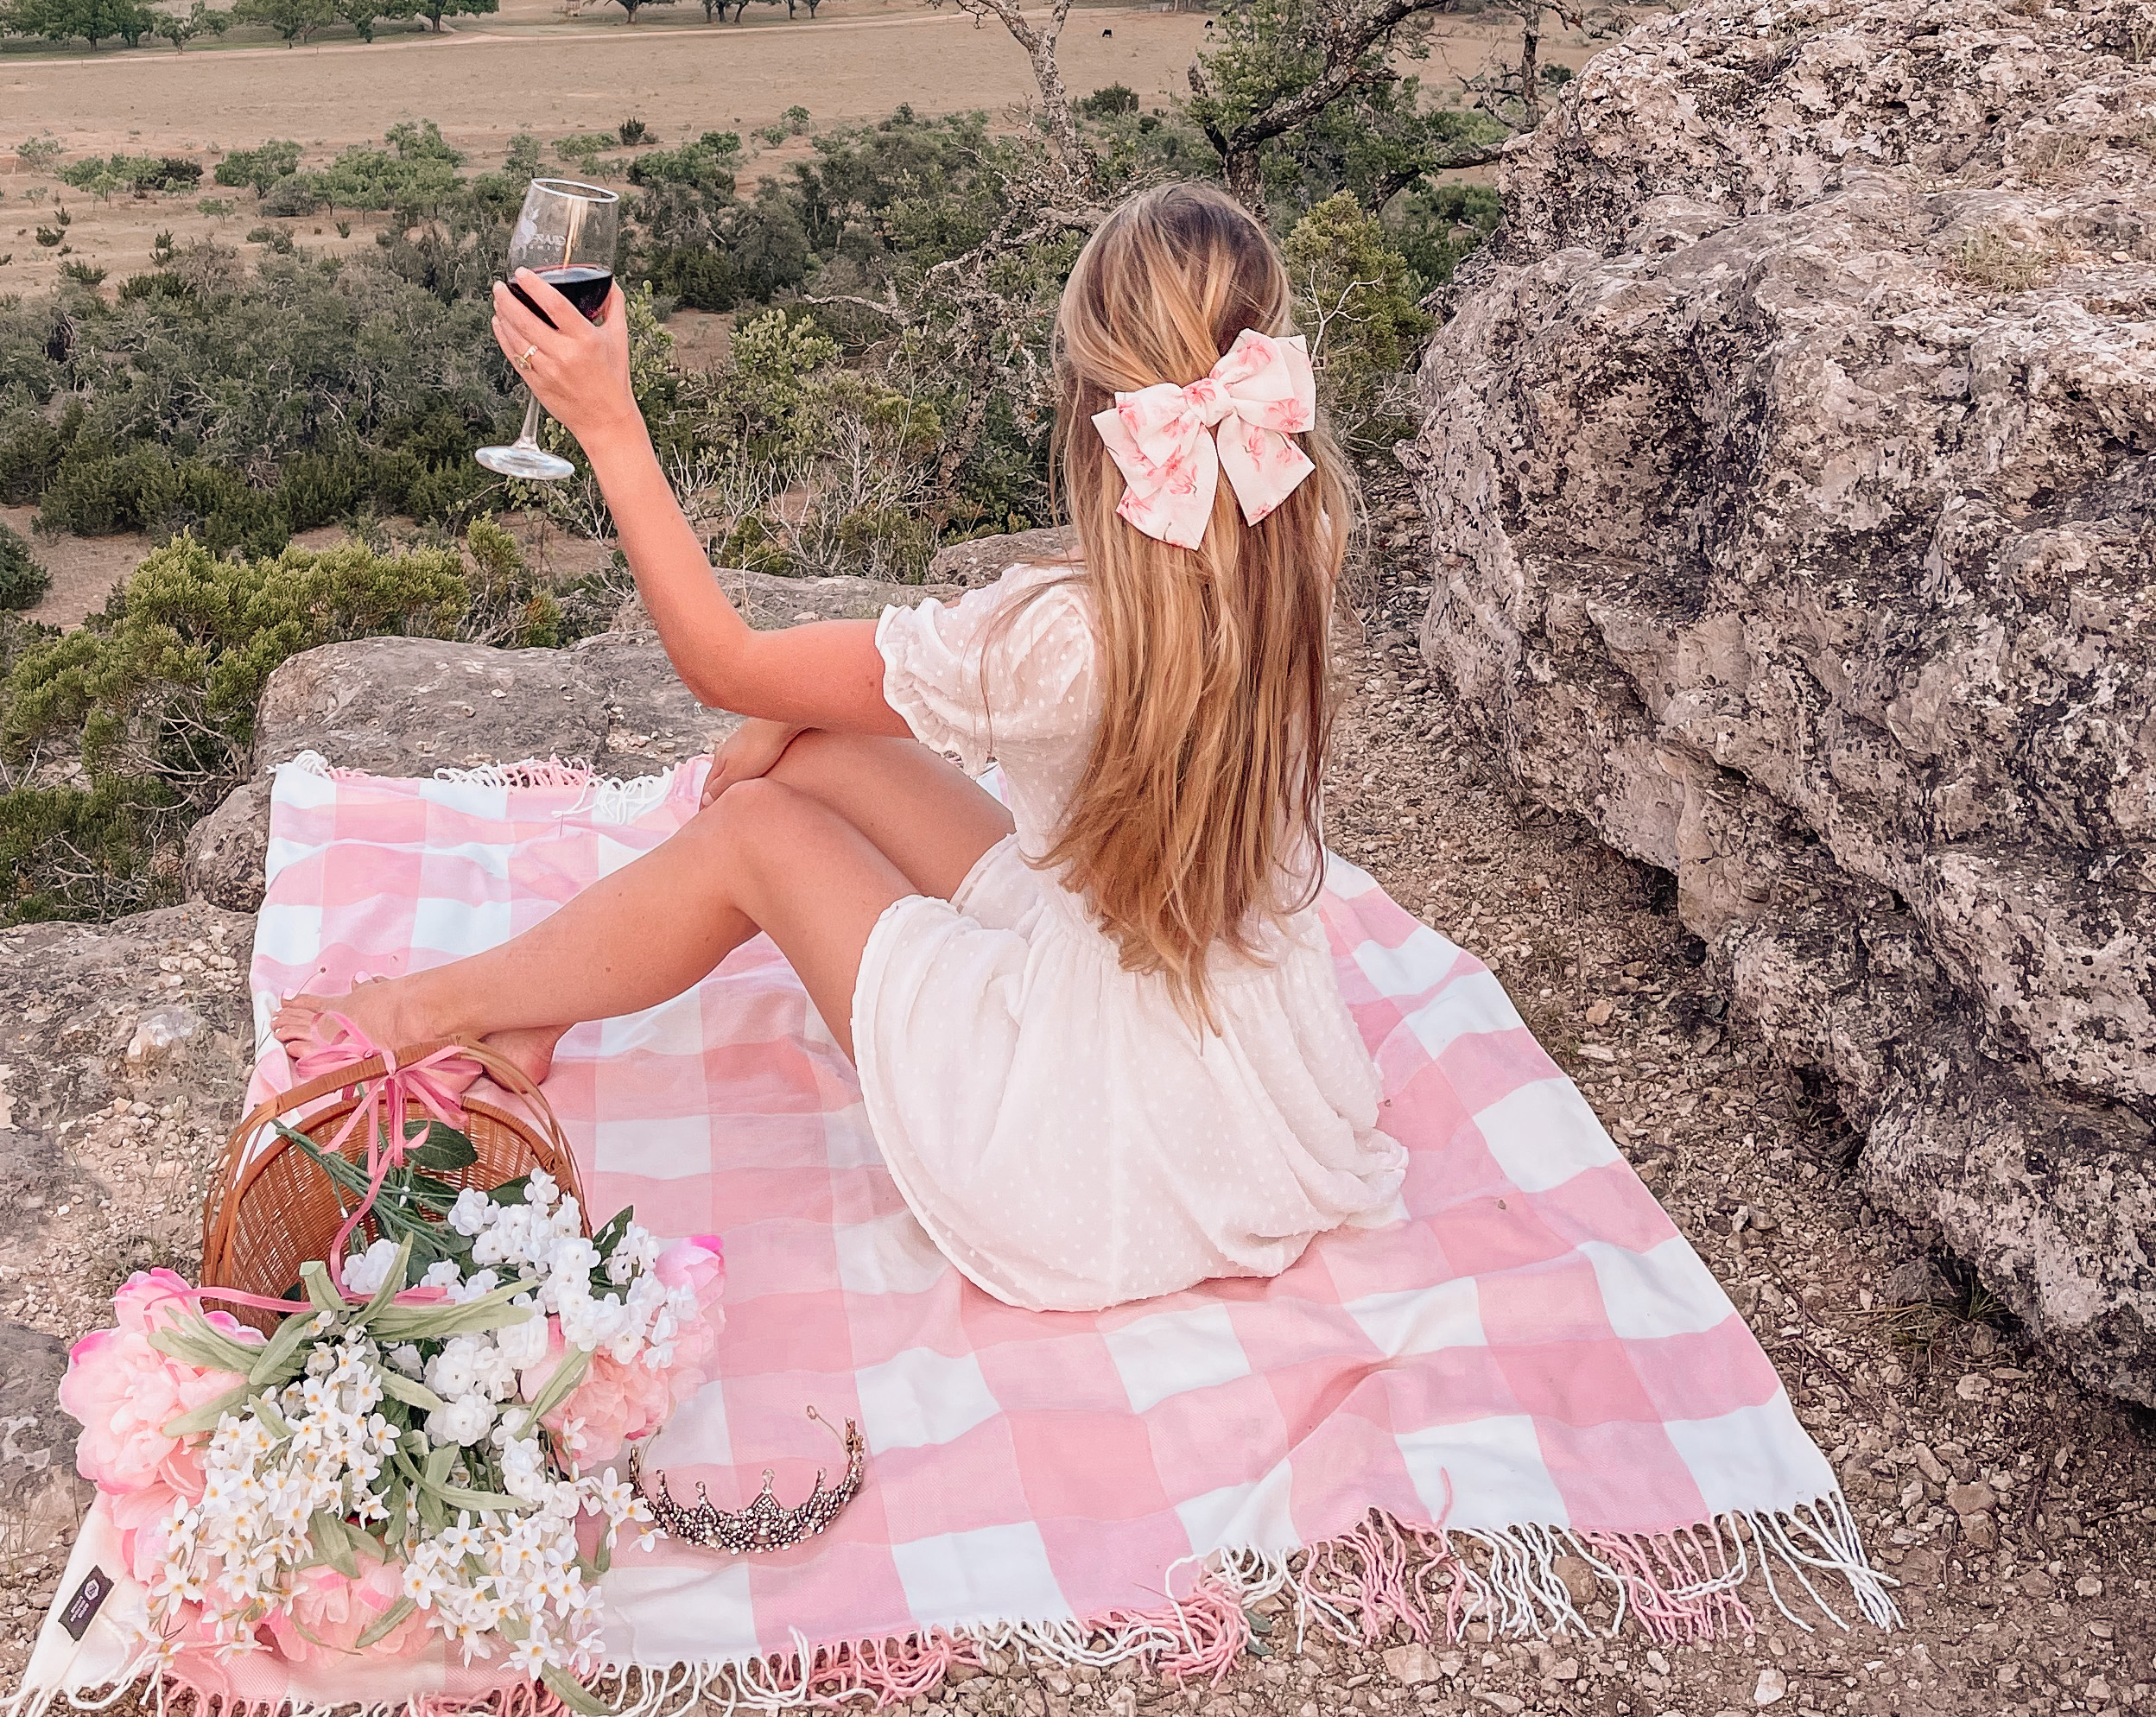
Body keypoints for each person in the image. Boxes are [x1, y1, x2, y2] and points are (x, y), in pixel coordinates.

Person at [274, 182, 1406, 1313]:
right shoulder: (1290, 535)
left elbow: (719, 661)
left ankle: (427, 1013)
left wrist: (608, 424)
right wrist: (800, 710)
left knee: (756, 829)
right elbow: (818, 699)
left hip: (1090, 1139)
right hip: (1223, 1046)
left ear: (1086, 396)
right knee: (808, 752)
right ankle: (540, 1010)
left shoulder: (1050, 638)